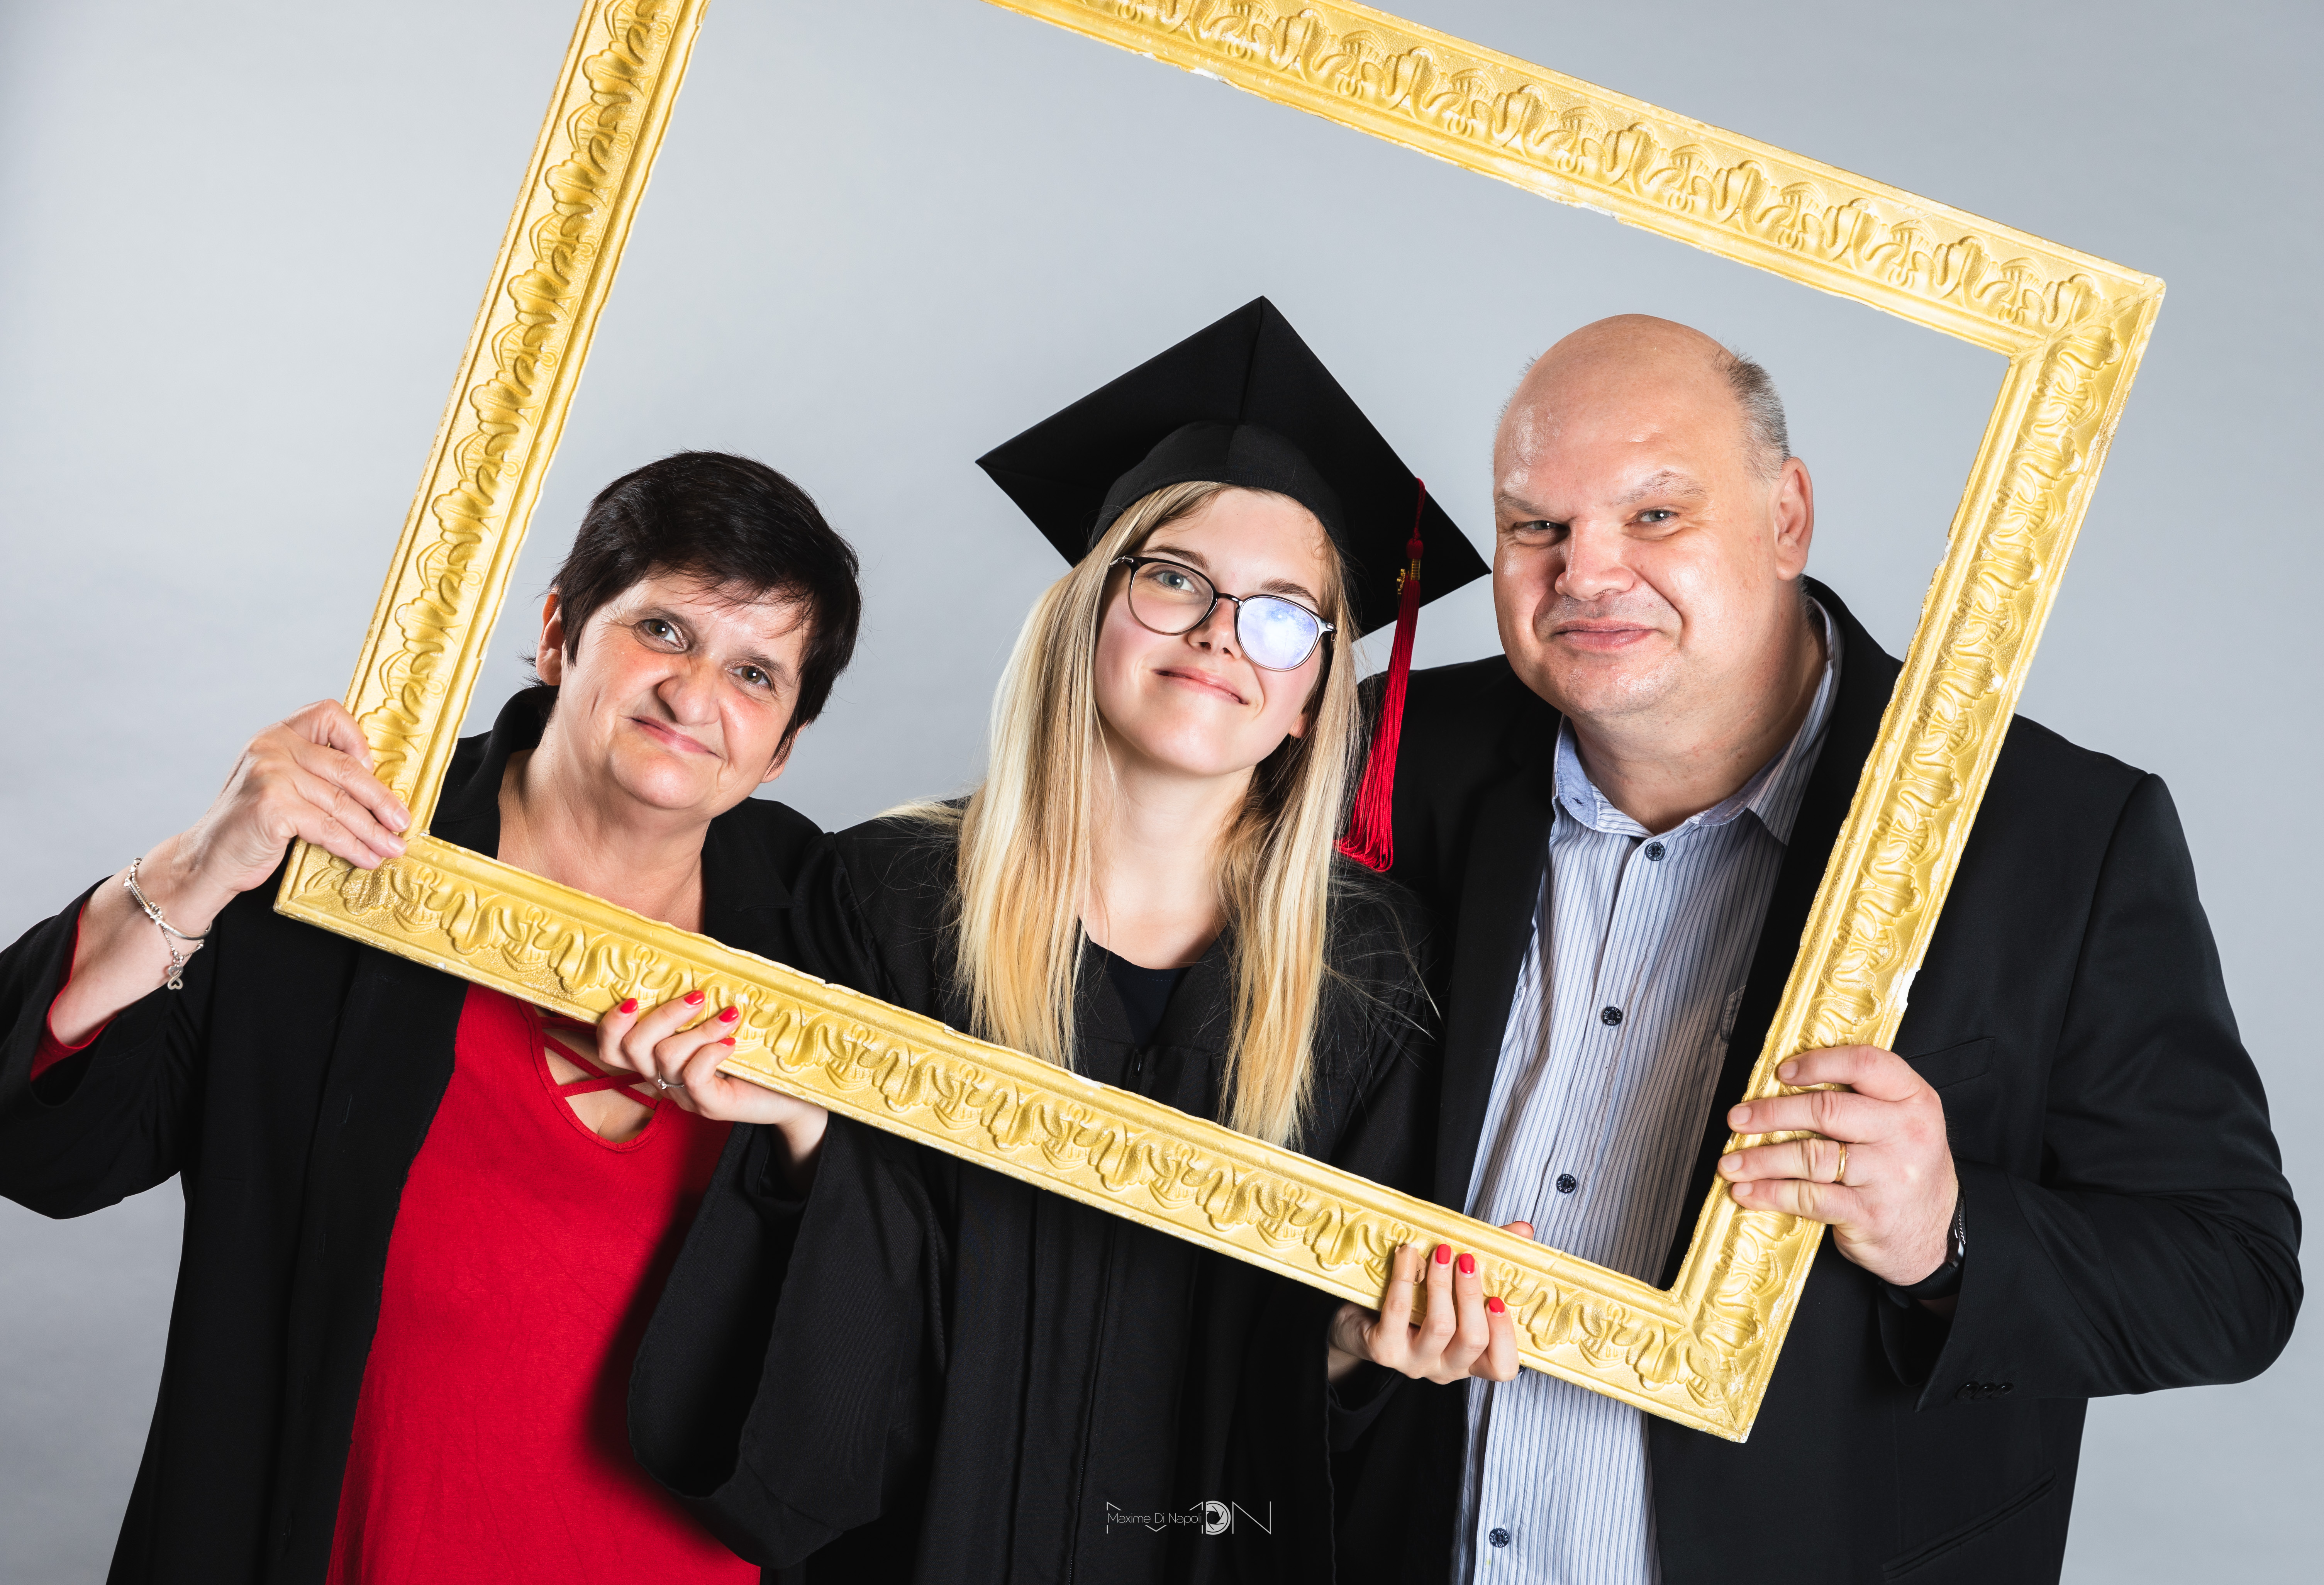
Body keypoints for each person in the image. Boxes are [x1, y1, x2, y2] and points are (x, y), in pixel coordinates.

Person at [1332, 316, 2302, 1583]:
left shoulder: (2052, 833)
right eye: (1537, 525)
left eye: (1656, 514)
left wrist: (1949, 1231)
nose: (1588, 571)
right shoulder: (1387, 756)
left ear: (1787, 518)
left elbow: (2231, 1277)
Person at [624, 299, 1514, 1583]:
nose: (1221, 633)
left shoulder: (1372, 974)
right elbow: (829, 1379)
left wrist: (1354, 1349)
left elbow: (1345, 1431)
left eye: (1283, 614)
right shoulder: (885, 897)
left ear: (1315, 690)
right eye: (1176, 579)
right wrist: (819, 1137)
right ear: (1091, 607)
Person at [0, 452, 867, 1584]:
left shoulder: (827, 940)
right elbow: (47, 1149)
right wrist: (200, 867)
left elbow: (882, 1368)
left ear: (785, 746)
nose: (695, 697)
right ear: (557, 634)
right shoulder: (348, 858)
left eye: (756, 674)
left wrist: (810, 1139)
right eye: (663, 630)